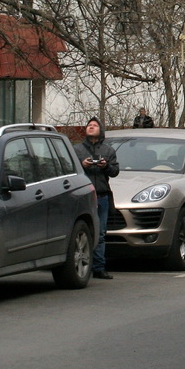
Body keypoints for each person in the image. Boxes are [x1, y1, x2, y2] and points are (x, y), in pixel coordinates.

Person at [74, 117, 120, 280]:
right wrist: (82, 165)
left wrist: (105, 166)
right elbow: (69, 170)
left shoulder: (108, 150)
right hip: (82, 196)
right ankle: (80, 266)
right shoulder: (77, 150)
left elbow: (115, 171)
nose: (91, 127)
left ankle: (99, 268)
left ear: (101, 130)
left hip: (101, 195)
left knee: (100, 233)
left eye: (94, 125)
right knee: (81, 233)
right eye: (89, 125)